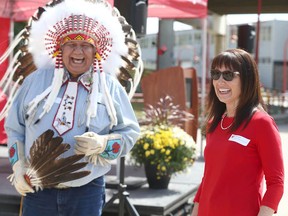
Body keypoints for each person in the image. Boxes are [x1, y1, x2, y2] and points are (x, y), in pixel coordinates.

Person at [4, 0, 142, 215]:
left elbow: (129, 133)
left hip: (86, 190)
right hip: (37, 187)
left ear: (96, 51)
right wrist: (18, 166)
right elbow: (15, 129)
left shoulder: (109, 86)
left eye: (85, 45)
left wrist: (103, 143)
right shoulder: (35, 81)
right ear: (60, 48)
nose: (78, 51)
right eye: (71, 44)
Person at [191, 48, 284, 216]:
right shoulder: (213, 123)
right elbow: (208, 178)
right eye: (215, 74)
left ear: (247, 79)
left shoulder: (262, 123)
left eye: (228, 75)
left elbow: (276, 183)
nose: (220, 81)